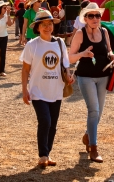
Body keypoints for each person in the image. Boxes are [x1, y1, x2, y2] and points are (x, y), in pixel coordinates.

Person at [20, 9, 72, 169]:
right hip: (38, 91)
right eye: (44, 24)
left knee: (53, 124)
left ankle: (47, 153)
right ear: (37, 27)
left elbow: (65, 63)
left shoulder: (59, 43)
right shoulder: (32, 45)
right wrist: (24, 90)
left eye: (50, 24)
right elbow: (25, 69)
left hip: (56, 90)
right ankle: (42, 154)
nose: (48, 27)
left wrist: (69, 77)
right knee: (45, 121)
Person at [68, 1, 114, 163]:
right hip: (86, 76)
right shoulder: (80, 34)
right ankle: (93, 147)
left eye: (97, 15)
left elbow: (109, 49)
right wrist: (83, 54)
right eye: (91, 15)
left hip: (104, 76)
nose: (95, 18)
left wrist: (112, 56)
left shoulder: (104, 31)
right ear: (85, 18)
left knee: (99, 112)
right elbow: (70, 57)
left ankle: (88, 135)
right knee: (94, 111)